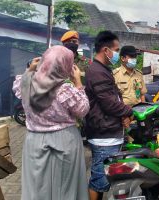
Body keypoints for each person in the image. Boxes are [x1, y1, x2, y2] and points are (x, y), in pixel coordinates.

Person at [12, 46, 90, 200]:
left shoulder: (26, 83)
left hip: (34, 140)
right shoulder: (65, 90)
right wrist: (78, 83)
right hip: (64, 139)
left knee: (36, 186)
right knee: (66, 187)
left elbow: (20, 85)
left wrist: (30, 68)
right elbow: (83, 110)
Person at [85, 31, 134, 200]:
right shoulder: (97, 71)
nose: (118, 54)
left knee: (103, 179)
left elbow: (113, 98)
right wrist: (128, 111)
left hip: (108, 133)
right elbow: (109, 103)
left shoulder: (102, 69)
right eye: (116, 50)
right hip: (103, 136)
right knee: (99, 180)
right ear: (106, 50)